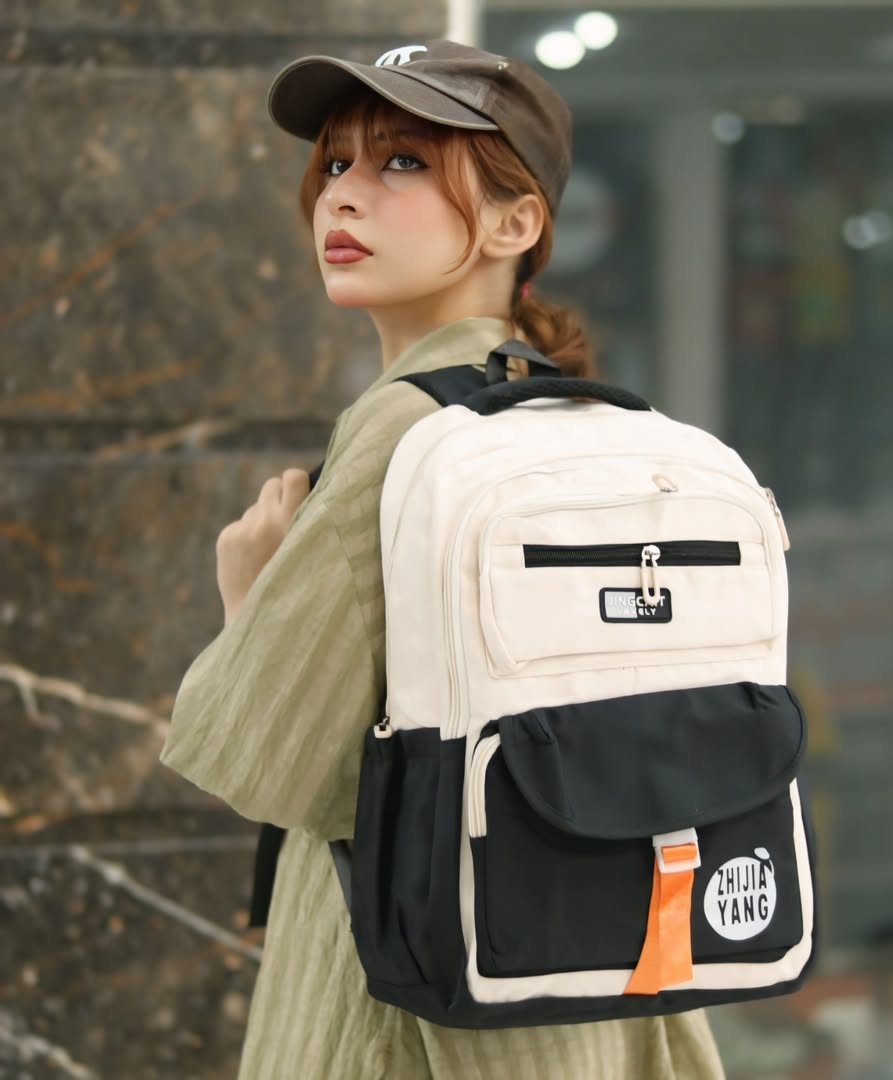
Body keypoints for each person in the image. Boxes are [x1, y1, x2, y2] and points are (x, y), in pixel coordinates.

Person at [160, 38, 726, 1079]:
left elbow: (270, 757)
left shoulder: (403, 431)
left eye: (404, 162)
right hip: (605, 971)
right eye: (336, 162)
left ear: (516, 223)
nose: (344, 195)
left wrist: (247, 601)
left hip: (414, 1002)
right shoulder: (574, 417)